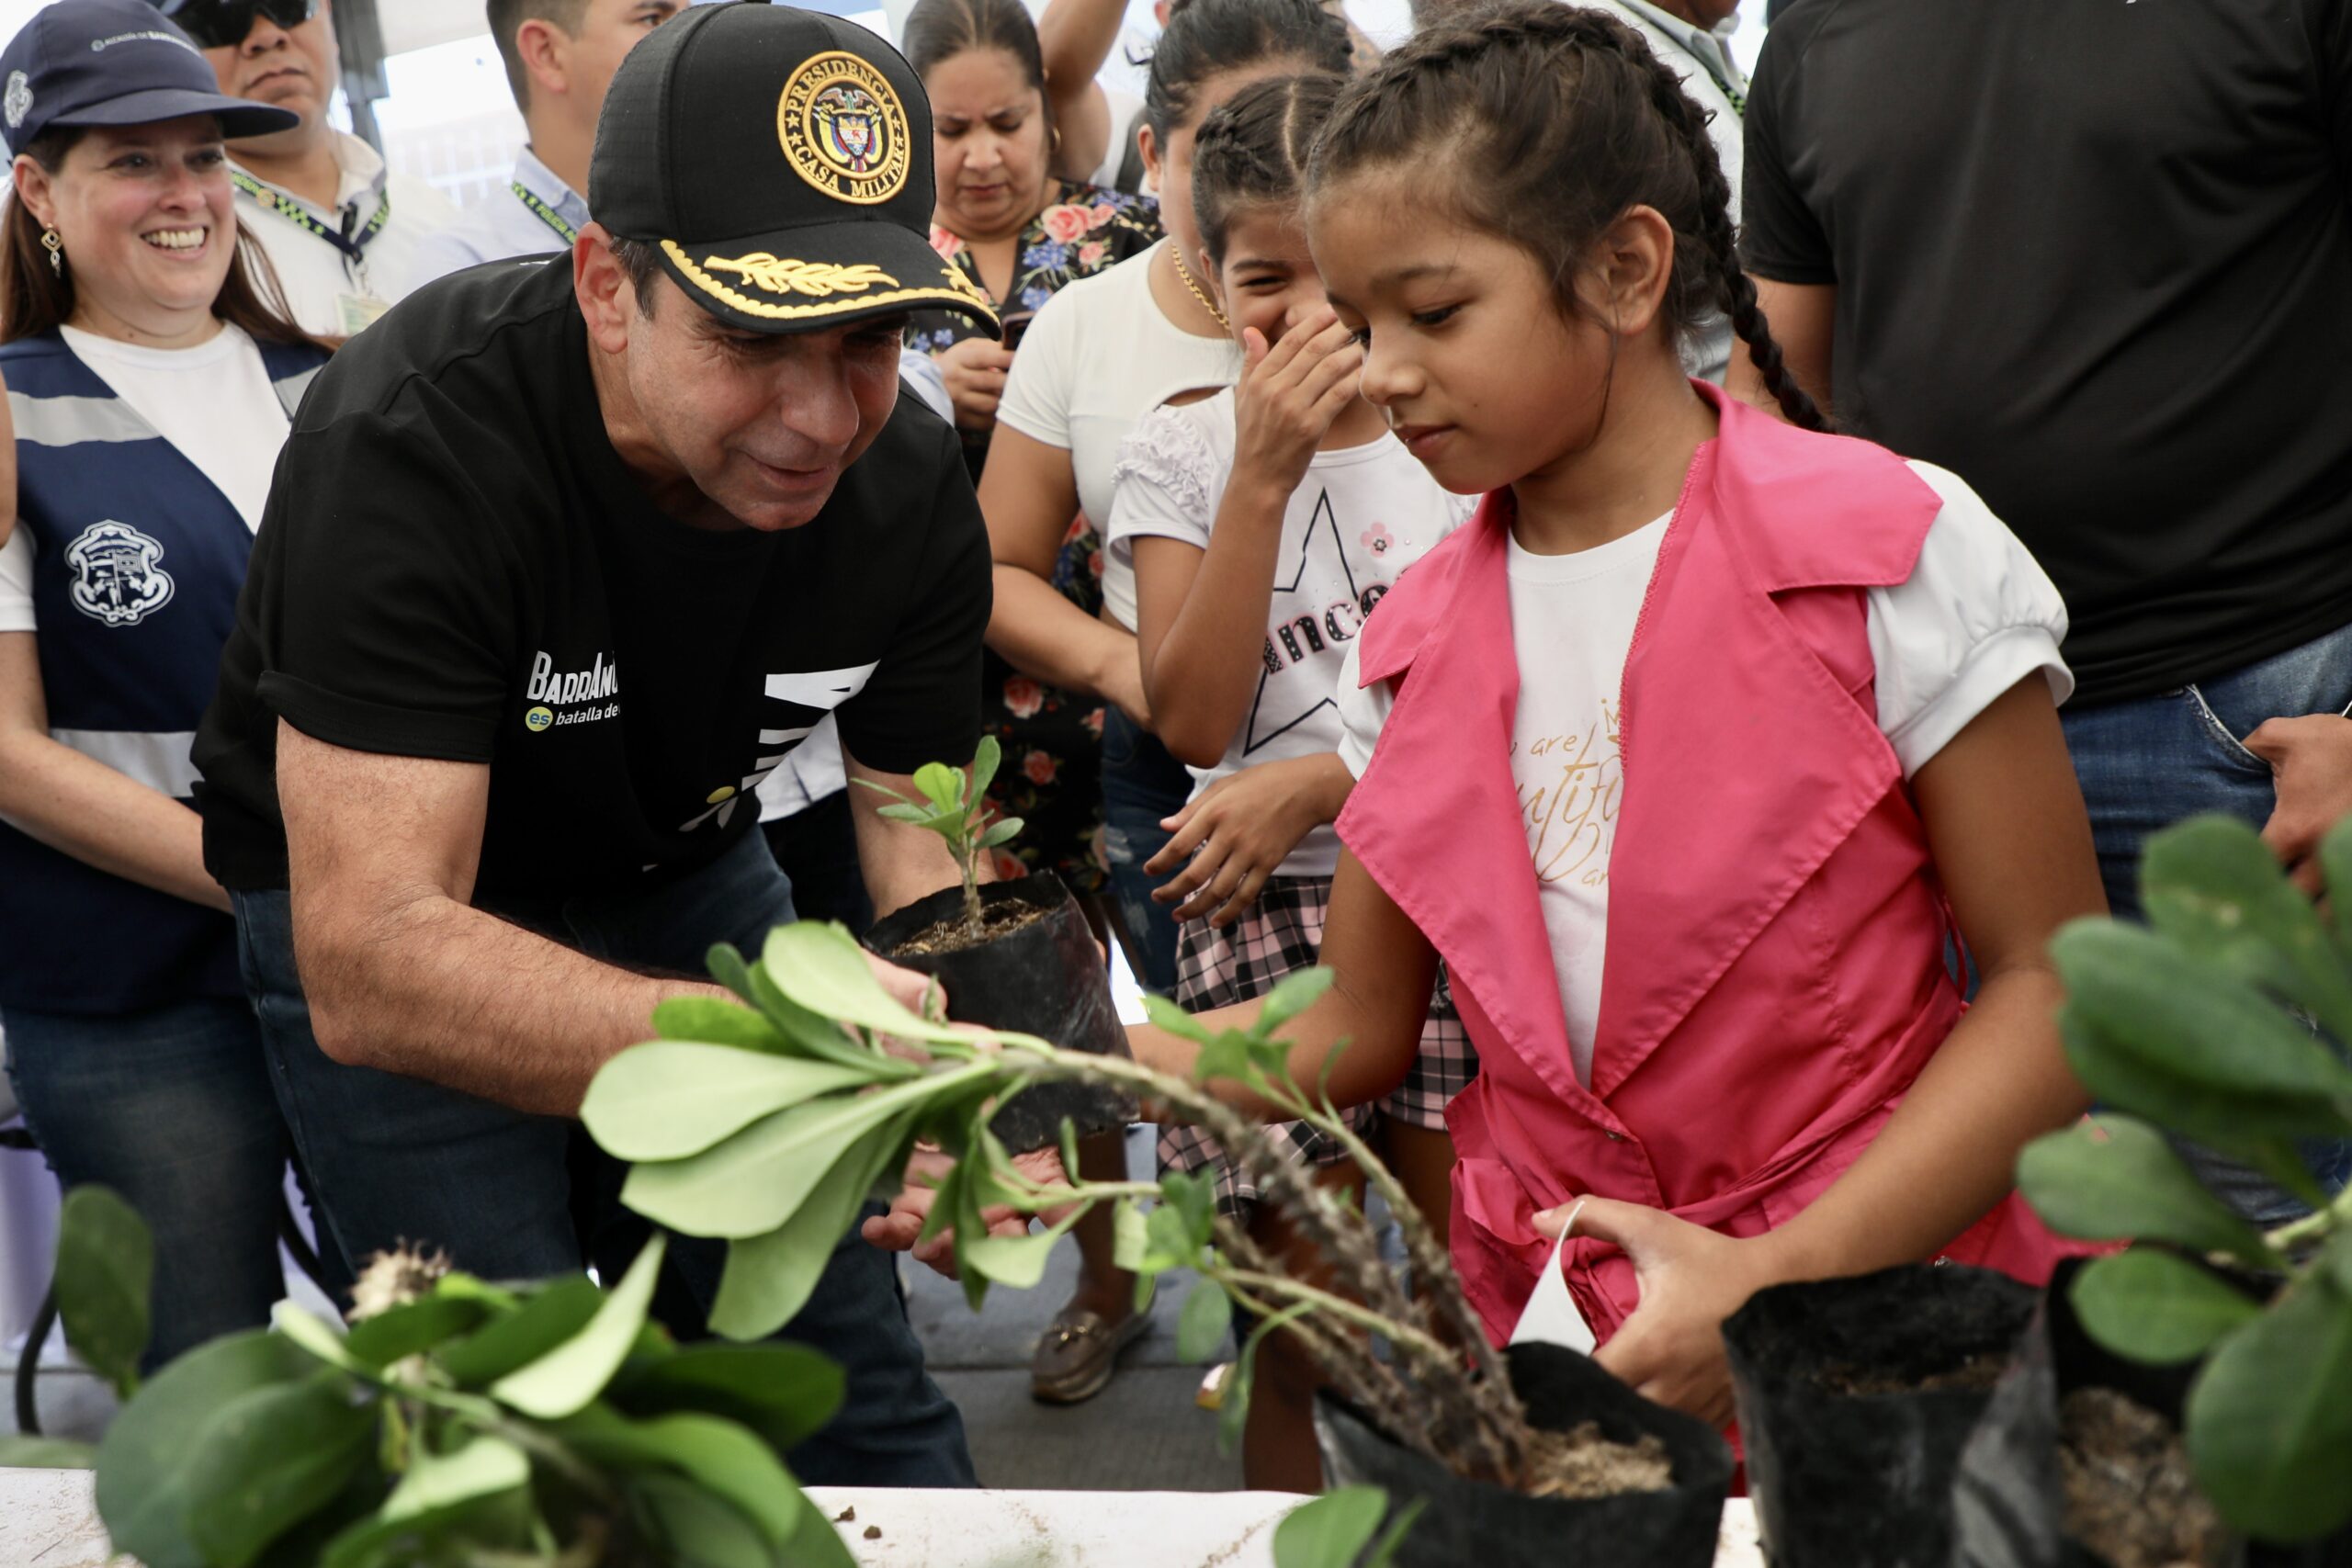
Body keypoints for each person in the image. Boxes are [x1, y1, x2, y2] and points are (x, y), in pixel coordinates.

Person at [1079, 2, 2096, 1430]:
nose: (1379, 370)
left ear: (1623, 267)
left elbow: (2050, 983)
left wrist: (1771, 1274)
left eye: (1433, 313)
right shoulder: (1410, 643)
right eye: (1364, 325)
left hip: (1889, 1299)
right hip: (1568, 1335)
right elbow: (1363, 1017)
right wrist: (1064, 1065)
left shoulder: (1892, 546)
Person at [190, 2, 1004, 1483]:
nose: (824, 415)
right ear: (606, 285)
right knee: (510, 1422)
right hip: (398, 898)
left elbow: (912, 825)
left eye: (874, 336)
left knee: (843, 1376)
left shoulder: (906, 490)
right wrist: (769, 1049)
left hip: (681, 862)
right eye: (755, 336)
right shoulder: (419, 441)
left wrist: (954, 1079)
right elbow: (371, 955)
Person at [1732, 0, 2352, 1218]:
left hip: (2256, 741)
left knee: (2260, 1291)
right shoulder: (1814, 29)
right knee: (2007, 1297)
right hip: (1942, 759)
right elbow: (1777, 388)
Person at [974, 0, 1352, 1406]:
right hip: (1188, 775)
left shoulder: (1420, 358)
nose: (1270, 161)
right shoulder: (1091, 333)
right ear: (1160, 151)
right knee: (1268, 1172)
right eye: (1221, 143)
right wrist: (1145, 666)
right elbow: (995, 566)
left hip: (1388, 793)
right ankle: (1120, 1285)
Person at [1105, 72, 1475, 1490]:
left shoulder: (1451, 435)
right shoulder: (1184, 449)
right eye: (1271, 286)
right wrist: (1258, 471)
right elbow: (1191, 707)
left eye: (1350, 288)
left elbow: (1487, 709)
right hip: (1255, 913)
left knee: (1457, 1294)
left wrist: (1322, 778)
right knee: (1296, 1313)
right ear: (1205, 275)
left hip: (1437, 896)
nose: (1318, 330)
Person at [0, 0, 327, 1368]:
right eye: (132, 161)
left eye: (202, 155)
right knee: (207, 1383)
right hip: (131, 992)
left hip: (377, 961)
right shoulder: (9, 413)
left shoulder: (340, 386)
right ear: (38, 189)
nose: (185, 193)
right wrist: (271, 874)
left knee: (452, 1335)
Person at [163, 0, 459, 334]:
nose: (267, 36)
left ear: (327, 13)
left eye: (289, 6)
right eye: (219, 16)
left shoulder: (439, 219)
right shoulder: (180, 244)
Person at [410, 0, 684, 278]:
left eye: (692, 13)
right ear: (547, 53)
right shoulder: (464, 270)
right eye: (652, 19)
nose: (694, 34)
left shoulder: (710, 212)